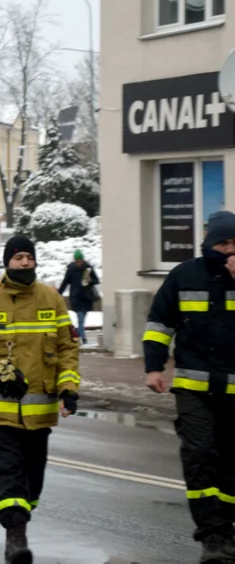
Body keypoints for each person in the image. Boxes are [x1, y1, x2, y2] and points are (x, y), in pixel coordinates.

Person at [0, 235, 80, 564]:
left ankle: (20, 519)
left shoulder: (51, 299)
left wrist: (69, 389)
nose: (24, 262)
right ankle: (15, 535)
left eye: (29, 257)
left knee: (32, 479)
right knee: (7, 471)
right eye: (18, 257)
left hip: (39, 415)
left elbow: (68, 348)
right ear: (7, 261)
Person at [143, 210, 235, 562]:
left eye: (234, 243)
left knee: (230, 466)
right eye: (222, 242)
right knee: (200, 457)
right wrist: (153, 367)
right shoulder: (184, 275)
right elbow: (159, 324)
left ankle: (226, 530)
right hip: (194, 389)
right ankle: (211, 536)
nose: (228, 250)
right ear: (208, 242)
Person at [58, 250, 100, 345]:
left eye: (81, 261)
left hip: (86, 298)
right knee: (80, 319)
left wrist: (91, 280)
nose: (79, 263)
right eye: (77, 261)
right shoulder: (71, 270)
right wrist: (58, 294)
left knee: (82, 320)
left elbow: (97, 280)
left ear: (83, 260)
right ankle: (83, 339)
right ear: (75, 261)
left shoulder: (88, 269)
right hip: (76, 298)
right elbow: (65, 283)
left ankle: (76, 334)